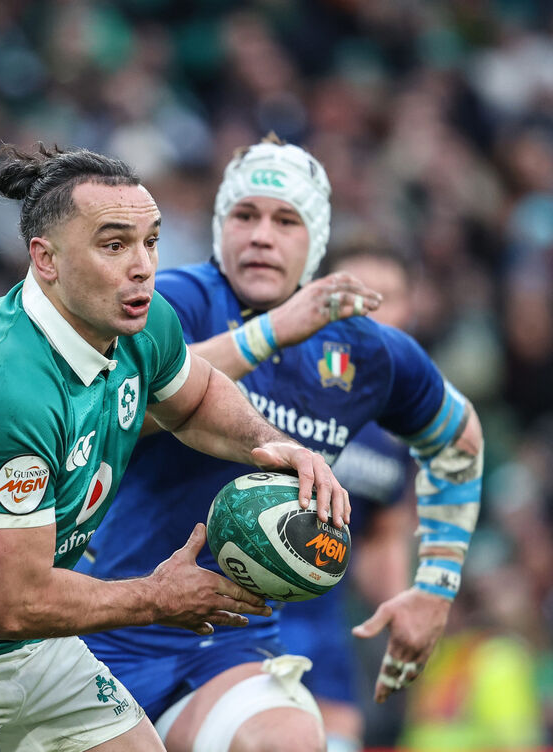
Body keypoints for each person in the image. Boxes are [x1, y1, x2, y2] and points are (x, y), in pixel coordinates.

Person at [0, 143, 348, 752]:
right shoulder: (8, 391)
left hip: (30, 649)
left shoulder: (138, 319)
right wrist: (157, 596)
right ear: (46, 259)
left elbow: (197, 397)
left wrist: (275, 446)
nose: (144, 265)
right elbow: (11, 603)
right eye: (114, 244)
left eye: (150, 240)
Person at [78, 134, 484, 752]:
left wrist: (436, 587)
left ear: (314, 240)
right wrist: (269, 334)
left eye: (285, 221)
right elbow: (118, 408)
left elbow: (460, 440)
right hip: (100, 628)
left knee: (289, 740)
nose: (261, 235)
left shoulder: (363, 351)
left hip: (226, 649)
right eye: (245, 216)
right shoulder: (174, 299)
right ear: (221, 228)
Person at [276, 241, 419, 752]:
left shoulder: (397, 430)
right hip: (226, 621)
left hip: (323, 633)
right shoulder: (272, 380)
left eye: (389, 298)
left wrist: (404, 609)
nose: (372, 312)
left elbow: (382, 534)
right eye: (354, 296)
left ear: (410, 310)